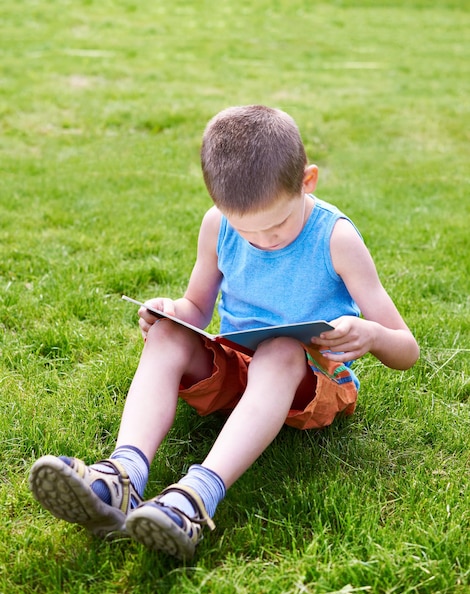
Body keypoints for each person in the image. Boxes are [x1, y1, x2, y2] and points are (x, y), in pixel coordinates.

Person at [29, 105, 419, 560]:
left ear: (307, 182)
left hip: (315, 383)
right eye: (245, 228)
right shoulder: (217, 225)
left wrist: (371, 335)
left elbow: (406, 349)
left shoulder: (336, 238)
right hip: (239, 370)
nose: (263, 240)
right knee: (169, 335)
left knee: (280, 349)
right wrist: (169, 312)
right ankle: (122, 475)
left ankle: (194, 499)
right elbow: (196, 308)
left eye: (276, 225)